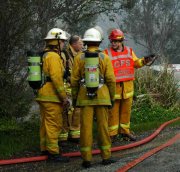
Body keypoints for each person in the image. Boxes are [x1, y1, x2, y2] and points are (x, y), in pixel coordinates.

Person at [71, 27, 116, 168]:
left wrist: (75, 98)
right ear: (99, 42)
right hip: (102, 98)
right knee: (103, 127)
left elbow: (74, 80)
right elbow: (111, 80)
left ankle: (87, 160)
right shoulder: (104, 57)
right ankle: (106, 157)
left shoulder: (79, 57)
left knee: (85, 129)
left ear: (85, 42)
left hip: (84, 99)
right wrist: (111, 98)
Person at [104, 29, 155, 142]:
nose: (113, 43)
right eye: (112, 41)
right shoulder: (106, 53)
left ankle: (125, 132)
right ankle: (112, 134)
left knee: (126, 112)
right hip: (114, 90)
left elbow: (136, 63)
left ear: (121, 41)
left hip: (127, 89)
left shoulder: (129, 51)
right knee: (112, 113)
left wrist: (145, 60)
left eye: (116, 41)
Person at [35, 28, 70, 162]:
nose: (63, 44)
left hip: (42, 94)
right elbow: (56, 79)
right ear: (57, 42)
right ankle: (53, 153)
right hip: (51, 96)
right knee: (54, 124)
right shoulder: (54, 57)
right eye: (62, 41)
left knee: (45, 123)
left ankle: (44, 149)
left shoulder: (44, 55)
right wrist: (64, 97)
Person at [59, 35, 83, 143]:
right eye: (80, 43)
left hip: (77, 87)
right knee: (66, 112)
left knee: (77, 111)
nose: (82, 45)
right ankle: (63, 137)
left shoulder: (80, 55)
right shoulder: (65, 55)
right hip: (67, 87)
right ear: (73, 44)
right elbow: (62, 71)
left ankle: (75, 134)